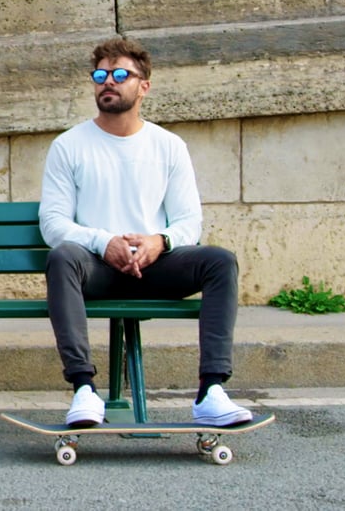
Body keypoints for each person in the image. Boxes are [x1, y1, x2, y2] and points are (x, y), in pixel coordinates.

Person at [38, 37, 253, 428]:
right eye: (100, 74)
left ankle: (211, 392)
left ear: (144, 86)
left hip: (156, 267)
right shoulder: (68, 146)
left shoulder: (168, 146)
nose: (108, 81)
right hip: (96, 269)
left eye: (121, 74)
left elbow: (188, 221)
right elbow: (54, 224)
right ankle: (84, 390)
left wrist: (159, 242)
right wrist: (104, 242)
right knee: (62, 256)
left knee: (220, 261)